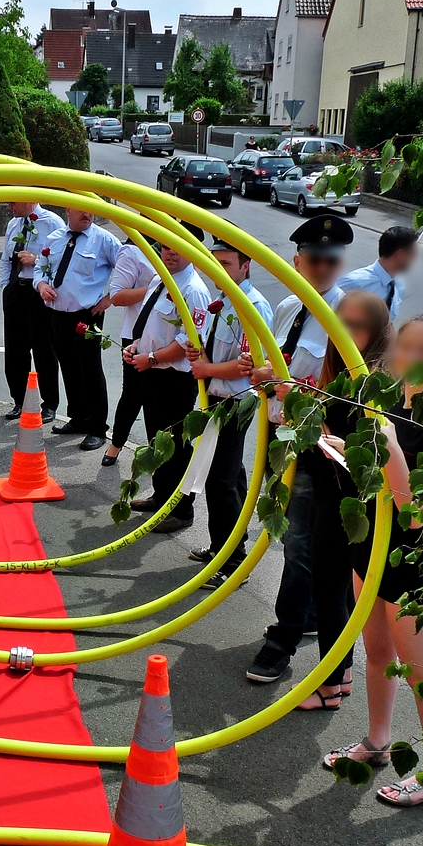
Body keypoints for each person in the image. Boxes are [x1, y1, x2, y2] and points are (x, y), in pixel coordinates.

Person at [322, 313, 423, 808]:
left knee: (421, 671)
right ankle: (378, 741)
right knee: (379, 657)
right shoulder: (392, 406)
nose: (412, 359)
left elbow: (414, 516)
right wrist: (348, 450)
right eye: (406, 347)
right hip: (370, 554)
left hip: (415, 566)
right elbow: (376, 483)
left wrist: (387, 453)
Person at [242, 212, 353, 684]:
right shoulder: (289, 307)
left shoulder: (347, 318)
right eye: (315, 259)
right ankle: (307, 617)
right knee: (292, 538)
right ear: (298, 261)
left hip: (315, 448)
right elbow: (274, 371)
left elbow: (344, 395)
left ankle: (281, 641)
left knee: (301, 548)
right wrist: (260, 375)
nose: (323, 267)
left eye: (332, 260)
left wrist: (287, 388)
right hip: (280, 440)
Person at [285, 291, 392, 713]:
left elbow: (382, 456)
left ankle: (331, 685)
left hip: (357, 505)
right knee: (332, 589)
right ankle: (339, 674)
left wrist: (341, 445)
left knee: (331, 590)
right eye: (339, 324)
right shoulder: (343, 373)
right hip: (335, 498)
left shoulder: (378, 382)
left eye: (357, 325)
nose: (345, 333)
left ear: (379, 331)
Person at [183, 238, 273, 587]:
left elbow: (249, 365)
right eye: (215, 262)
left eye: (227, 263)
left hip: (235, 403)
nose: (219, 270)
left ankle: (232, 561)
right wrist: (199, 355)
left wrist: (206, 370)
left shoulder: (253, 306)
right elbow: (215, 351)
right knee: (230, 477)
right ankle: (224, 548)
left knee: (221, 480)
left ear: (245, 266)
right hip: (218, 399)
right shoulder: (223, 302)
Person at [124, 225, 210, 534]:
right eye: (165, 246)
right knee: (156, 440)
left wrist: (151, 358)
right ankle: (162, 497)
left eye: (177, 247)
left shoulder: (194, 290)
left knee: (176, 446)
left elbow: (189, 342)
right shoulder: (161, 280)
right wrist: (137, 346)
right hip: (152, 374)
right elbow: (150, 326)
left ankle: (181, 510)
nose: (169, 252)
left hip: (174, 379)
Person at [35, 207, 120, 451]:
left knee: (91, 370)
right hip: (57, 313)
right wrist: (41, 284)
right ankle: (79, 418)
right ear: (68, 210)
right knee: (69, 367)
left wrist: (109, 298)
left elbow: (128, 269)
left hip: (87, 315)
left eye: (91, 210)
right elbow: (41, 267)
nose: (87, 214)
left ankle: (97, 428)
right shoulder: (55, 238)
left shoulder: (104, 240)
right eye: (81, 210)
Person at [0, 201, 64, 421]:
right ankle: (20, 401)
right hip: (16, 289)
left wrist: (35, 260)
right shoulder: (13, 224)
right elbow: (5, 259)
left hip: (39, 293)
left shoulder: (52, 222)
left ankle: (49, 404)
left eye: (13, 202)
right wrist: (6, 287)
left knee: (44, 350)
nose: (10, 207)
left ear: (27, 199)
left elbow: (60, 260)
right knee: (15, 350)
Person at [103, 242, 156, 467]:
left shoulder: (174, 247)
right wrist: (159, 287)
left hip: (166, 336)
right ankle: (116, 443)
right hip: (137, 334)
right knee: (133, 394)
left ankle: (157, 450)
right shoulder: (134, 249)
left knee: (158, 398)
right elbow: (117, 296)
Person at [339, 226, 418, 321]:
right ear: (400, 254)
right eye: (414, 254)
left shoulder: (398, 285)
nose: (415, 259)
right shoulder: (356, 282)